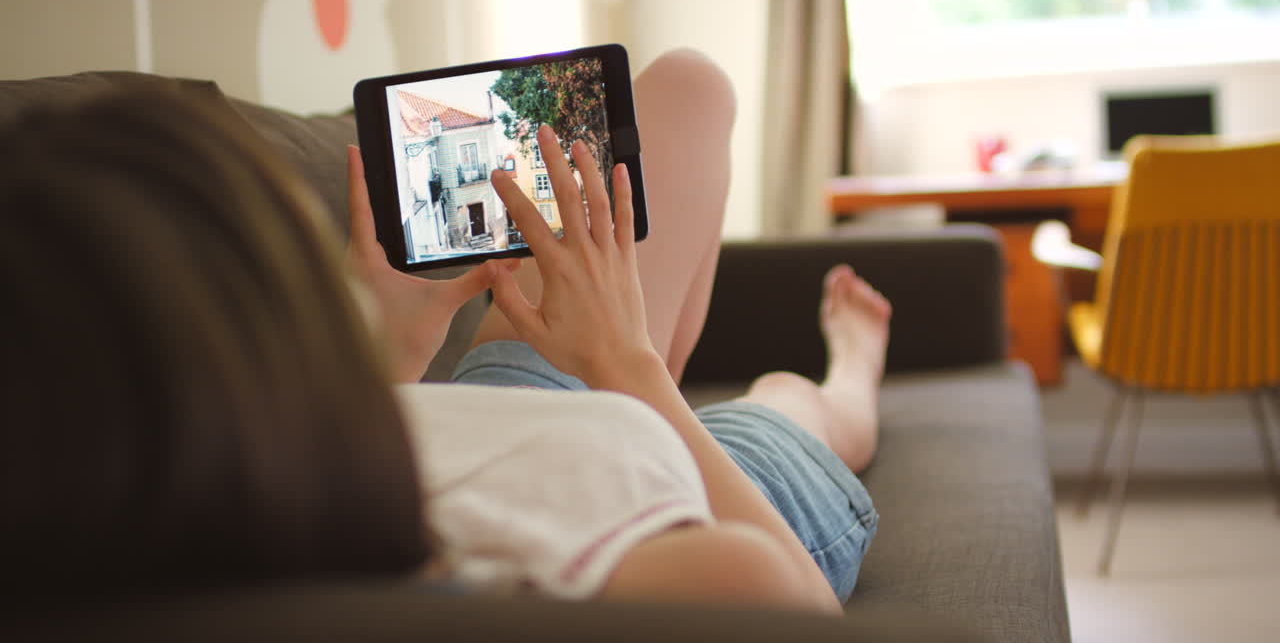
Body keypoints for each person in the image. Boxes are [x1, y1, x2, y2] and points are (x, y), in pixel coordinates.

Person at [0, 50, 888, 614]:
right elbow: (798, 610)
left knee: (689, 86)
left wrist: (382, 364)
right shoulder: (632, 576)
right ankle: (851, 369)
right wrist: (630, 367)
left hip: (477, 408)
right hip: (654, 470)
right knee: (789, 402)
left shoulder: (170, 509)